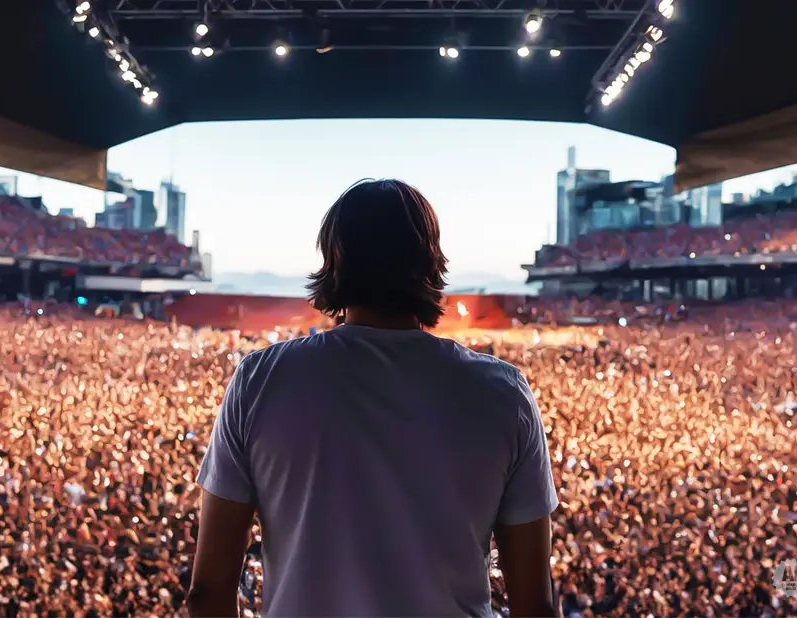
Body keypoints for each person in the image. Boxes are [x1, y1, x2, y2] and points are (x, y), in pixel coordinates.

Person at [187, 179, 561, 617]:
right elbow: (535, 603)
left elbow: (207, 593)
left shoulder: (260, 380)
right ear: (430, 263)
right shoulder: (504, 394)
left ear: (334, 259)